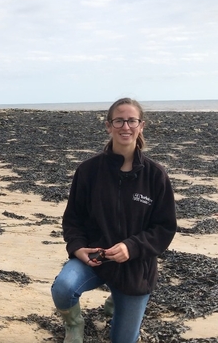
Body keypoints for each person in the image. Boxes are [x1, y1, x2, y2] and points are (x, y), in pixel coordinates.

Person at [50, 98, 177, 343]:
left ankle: (115, 300)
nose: (125, 126)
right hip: (95, 258)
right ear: (109, 125)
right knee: (63, 288)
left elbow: (164, 228)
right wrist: (77, 248)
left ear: (142, 125)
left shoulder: (155, 175)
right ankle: (74, 326)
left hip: (135, 267)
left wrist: (132, 247)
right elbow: (73, 219)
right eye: (119, 120)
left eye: (131, 121)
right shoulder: (88, 171)